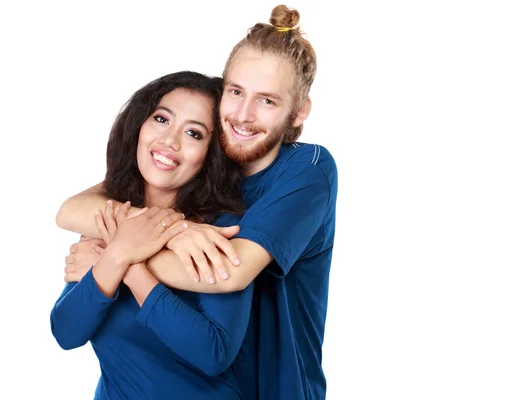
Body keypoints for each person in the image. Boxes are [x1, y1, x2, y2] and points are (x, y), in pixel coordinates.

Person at [57, 5, 338, 399]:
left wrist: (120, 256)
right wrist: (169, 232)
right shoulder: (186, 175)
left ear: (299, 111)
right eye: (236, 92)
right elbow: (70, 210)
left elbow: (228, 275)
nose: (242, 115)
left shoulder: (306, 172)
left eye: (267, 101)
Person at [50, 71, 255, 400]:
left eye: (193, 133)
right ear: (138, 126)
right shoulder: (111, 214)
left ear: (211, 154)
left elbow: (214, 352)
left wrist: (125, 262)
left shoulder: (218, 231)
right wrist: (119, 252)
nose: (170, 141)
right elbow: (66, 331)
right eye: (161, 118)